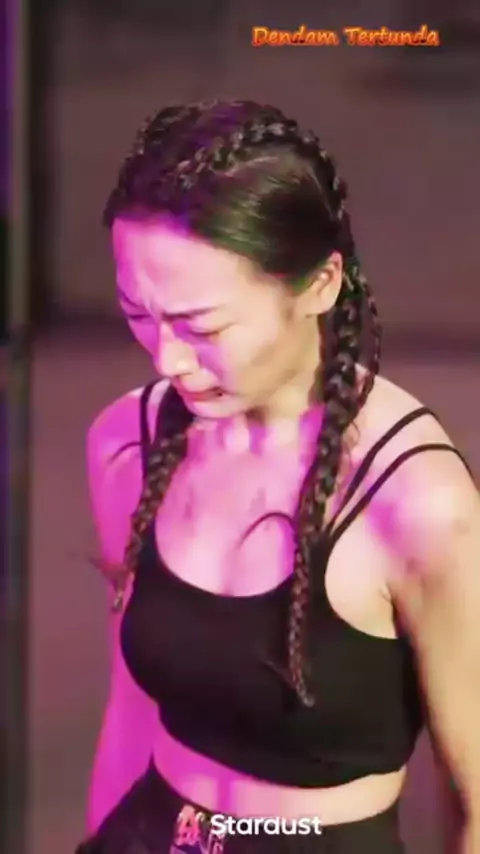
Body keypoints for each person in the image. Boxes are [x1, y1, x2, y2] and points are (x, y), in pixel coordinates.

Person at [76, 100, 480, 854]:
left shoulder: (415, 501)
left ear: (321, 285)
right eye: (138, 314)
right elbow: (129, 714)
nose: (167, 359)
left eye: (203, 325)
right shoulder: (127, 444)